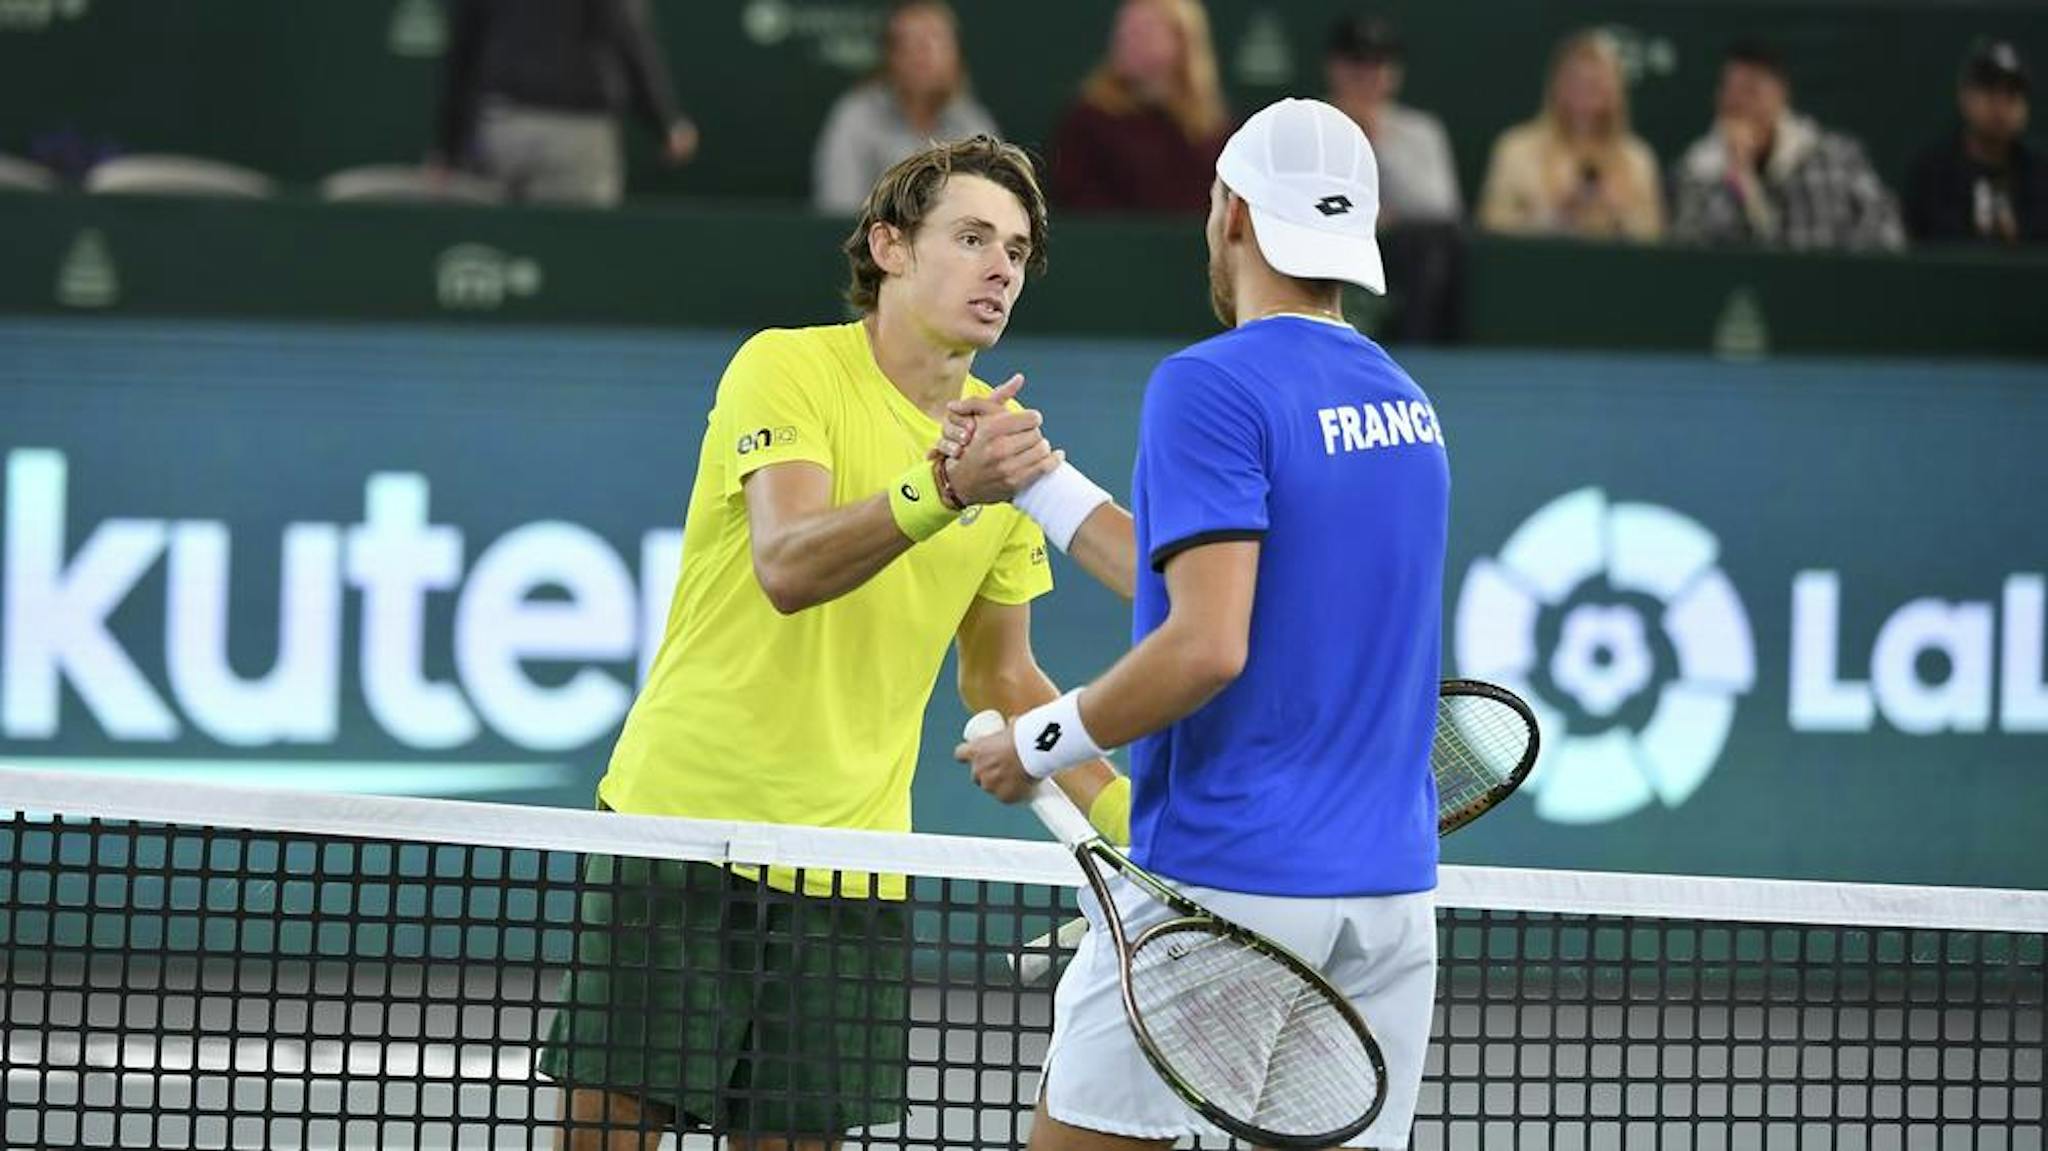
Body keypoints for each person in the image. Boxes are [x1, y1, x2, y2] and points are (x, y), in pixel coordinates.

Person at [537, 135, 1128, 1151]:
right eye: (972, 236)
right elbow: (789, 564)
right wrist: (942, 488)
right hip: (681, 828)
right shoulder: (786, 367)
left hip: (848, 868)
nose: (999, 268)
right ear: (888, 246)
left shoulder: (1007, 449)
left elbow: (1000, 676)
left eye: (1018, 250)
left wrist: (1130, 819)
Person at [954, 98, 1448, 1150]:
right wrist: (1036, 480)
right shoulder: (1406, 407)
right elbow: (1208, 581)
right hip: (1385, 907)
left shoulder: (1209, 383)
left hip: (1228, 887)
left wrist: (1036, 743)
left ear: (1229, 214)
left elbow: (1207, 641)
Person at [436, 0, 698, 206]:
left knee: (505, 245)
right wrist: (664, 123)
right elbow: (628, 35)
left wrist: (448, 149)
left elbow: (463, 54)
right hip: (575, 132)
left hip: (503, 125)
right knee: (570, 254)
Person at [1670, 39, 1904, 250]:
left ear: (1781, 94)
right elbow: (1693, 256)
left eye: (1752, 91)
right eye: (1731, 93)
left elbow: (1885, 232)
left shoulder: (1836, 157)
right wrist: (1741, 178)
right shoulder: (1696, 172)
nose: (1741, 104)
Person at [1324, 12, 1465, 343]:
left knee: (1432, 246)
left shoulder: (1421, 131)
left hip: (1405, 266)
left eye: (1378, 65)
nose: (1366, 76)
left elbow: (1440, 206)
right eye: (1356, 64)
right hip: (1328, 253)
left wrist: (1376, 141)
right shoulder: (1311, 121)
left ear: (1394, 73)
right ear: (1335, 67)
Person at [812, 0, 1000, 214]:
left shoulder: (972, 123)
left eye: (936, 42)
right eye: (911, 44)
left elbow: (990, 211)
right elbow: (838, 212)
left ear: (956, 55)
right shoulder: (857, 117)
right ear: (890, 56)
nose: (924, 55)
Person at [1477, 29, 1664, 241]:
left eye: (1595, 84)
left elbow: (1655, 237)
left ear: (1615, 91)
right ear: (1556, 86)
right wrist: (1554, 215)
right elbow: (1492, 226)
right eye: (1575, 82)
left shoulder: (1637, 158)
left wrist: (1617, 212)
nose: (1584, 94)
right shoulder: (1515, 148)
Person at [1049, 0, 1230, 214]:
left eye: (1145, 30)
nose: (1128, 40)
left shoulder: (1212, 131)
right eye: (1124, 31)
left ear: (1182, 40)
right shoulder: (1088, 122)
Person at [1905, 39, 2045, 245]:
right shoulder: (1931, 174)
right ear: (1965, 96)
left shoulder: (2040, 176)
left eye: (2012, 94)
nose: (2000, 106)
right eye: (1990, 91)